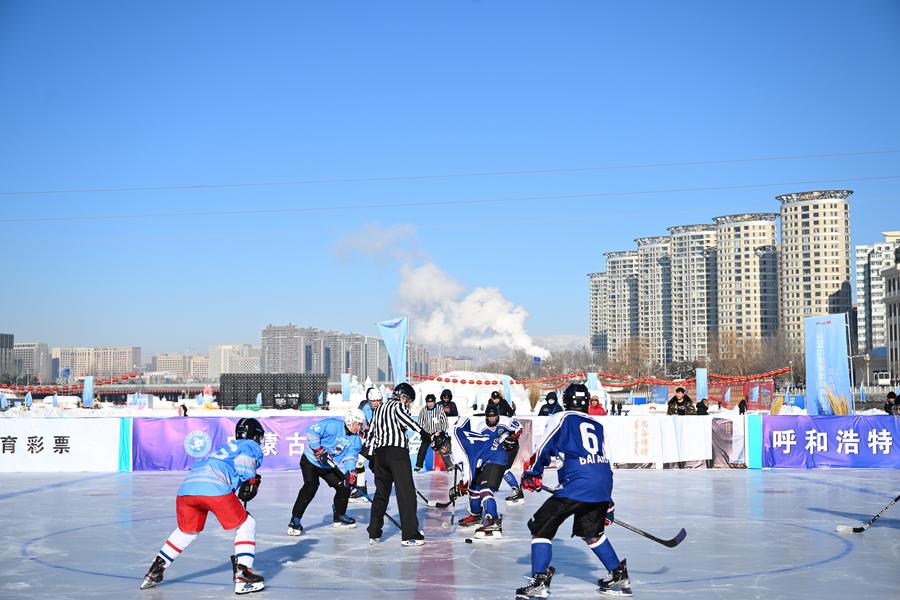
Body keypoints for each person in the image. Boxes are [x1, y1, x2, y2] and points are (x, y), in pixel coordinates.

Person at [516, 384, 630, 598]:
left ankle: (539, 580)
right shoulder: (597, 425)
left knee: (541, 527)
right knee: (592, 533)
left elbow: (545, 446)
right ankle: (617, 574)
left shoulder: (562, 417)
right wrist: (608, 500)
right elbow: (608, 462)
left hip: (577, 482)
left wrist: (533, 473)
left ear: (566, 400)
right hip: (601, 483)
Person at [139, 418, 266, 594]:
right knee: (246, 524)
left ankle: (156, 568)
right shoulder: (250, 445)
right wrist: (251, 480)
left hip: (187, 490)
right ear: (254, 435)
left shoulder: (223, 448)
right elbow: (245, 462)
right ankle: (243, 574)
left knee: (186, 532)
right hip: (214, 488)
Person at [435, 409, 522, 539]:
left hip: (495, 456)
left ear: (446, 441)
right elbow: (464, 419)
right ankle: (476, 515)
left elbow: (468, 473)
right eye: (439, 450)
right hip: (485, 456)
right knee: (474, 488)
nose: (442, 451)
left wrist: (459, 488)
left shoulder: (459, 452)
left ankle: (493, 521)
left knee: (485, 490)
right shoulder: (453, 431)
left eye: (442, 447)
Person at [366, 382, 433, 546]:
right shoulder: (397, 405)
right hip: (397, 454)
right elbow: (406, 420)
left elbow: (371, 434)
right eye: (408, 401)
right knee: (406, 493)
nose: (408, 404)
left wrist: (371, 456)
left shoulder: (379, 408)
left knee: (381, 494)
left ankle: (374, 532)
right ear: (403, 397)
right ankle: (410, 534)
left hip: (380, 455)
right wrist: (423, 433)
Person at [287, 409, 366, 536]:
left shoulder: (356, 440)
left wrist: (351, 471)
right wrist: (318, 450)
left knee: (345, 486)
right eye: (358, 424)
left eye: (361, 424)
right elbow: (311, 431)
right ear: (350, 421)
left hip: (328, 465)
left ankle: (339, 514)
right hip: (311, 461)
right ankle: (295, 519)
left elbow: (350, 458)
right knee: (311, 486)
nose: (360, 427)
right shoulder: (332, 424)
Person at [478, 403, 525, 505]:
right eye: (490, 417)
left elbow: (519, 428)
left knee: (503, 468)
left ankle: (517, 491)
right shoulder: (481, 427)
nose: (492, 419)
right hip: (496, 449)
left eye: (494, 416)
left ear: (498, 415)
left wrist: (512, 438)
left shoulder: (505, 421)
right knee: (496, 467)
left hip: (510, 447)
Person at [350, 387, 383, 503]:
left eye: (377, 400)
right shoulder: (364, 406)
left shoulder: (385, 409)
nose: (375, 403)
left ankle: (384, 488)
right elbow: (359, 420)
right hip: (369, 441)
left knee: (376, 466)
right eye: (372, 401)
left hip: (380, 442)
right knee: (359, 461)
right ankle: (361, 489)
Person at [415, 394, 449, 472]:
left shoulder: (439, 409)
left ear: (434, 402)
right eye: (428, 402)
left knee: (443, 448)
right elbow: (420, 424)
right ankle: (418, 466)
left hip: (438, 433)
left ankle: (449, 466)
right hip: (427, 434)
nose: (430, 404)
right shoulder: (423, 411)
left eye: (432, 402)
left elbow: (444, 422)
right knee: (422, 449)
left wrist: (441, 431)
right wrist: (427, 433)